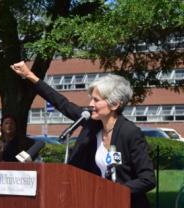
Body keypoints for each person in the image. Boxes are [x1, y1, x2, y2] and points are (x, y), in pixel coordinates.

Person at [11, 61, 156, 208]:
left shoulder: (130, 133)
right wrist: (29, 75)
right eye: (91, 98)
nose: (91, 104)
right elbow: (61, 103)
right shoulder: (91, 124)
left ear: (115, 104)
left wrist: (114, 191)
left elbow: (147, 179)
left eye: (96, 100)